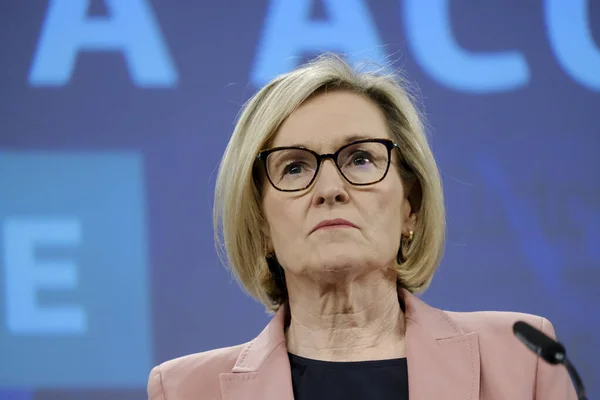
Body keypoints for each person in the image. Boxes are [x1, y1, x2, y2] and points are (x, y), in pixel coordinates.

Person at [147, 54, 576, 400]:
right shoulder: (184, 390)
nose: (330, 188)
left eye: (361, 159)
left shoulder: (523, 360)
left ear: (410, 206)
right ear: (260, 226)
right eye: (294, 167)